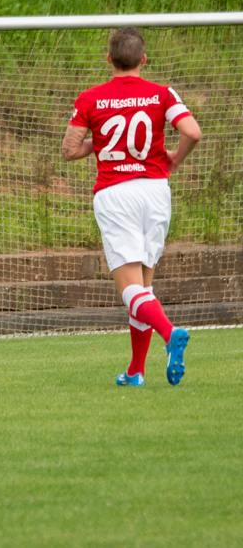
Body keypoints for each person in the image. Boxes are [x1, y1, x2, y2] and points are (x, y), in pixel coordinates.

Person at [61, 27, 202, 387]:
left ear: (108, 59)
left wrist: (100, 139)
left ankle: (170, 334)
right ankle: (136, 371)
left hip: (116, 194)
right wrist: (175, 160)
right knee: (144, 288)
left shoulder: (91, 98)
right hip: (155, 192)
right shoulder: (161, 93)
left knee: (129, 289)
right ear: (143, 59)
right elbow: (192, 132)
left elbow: (69, 150)